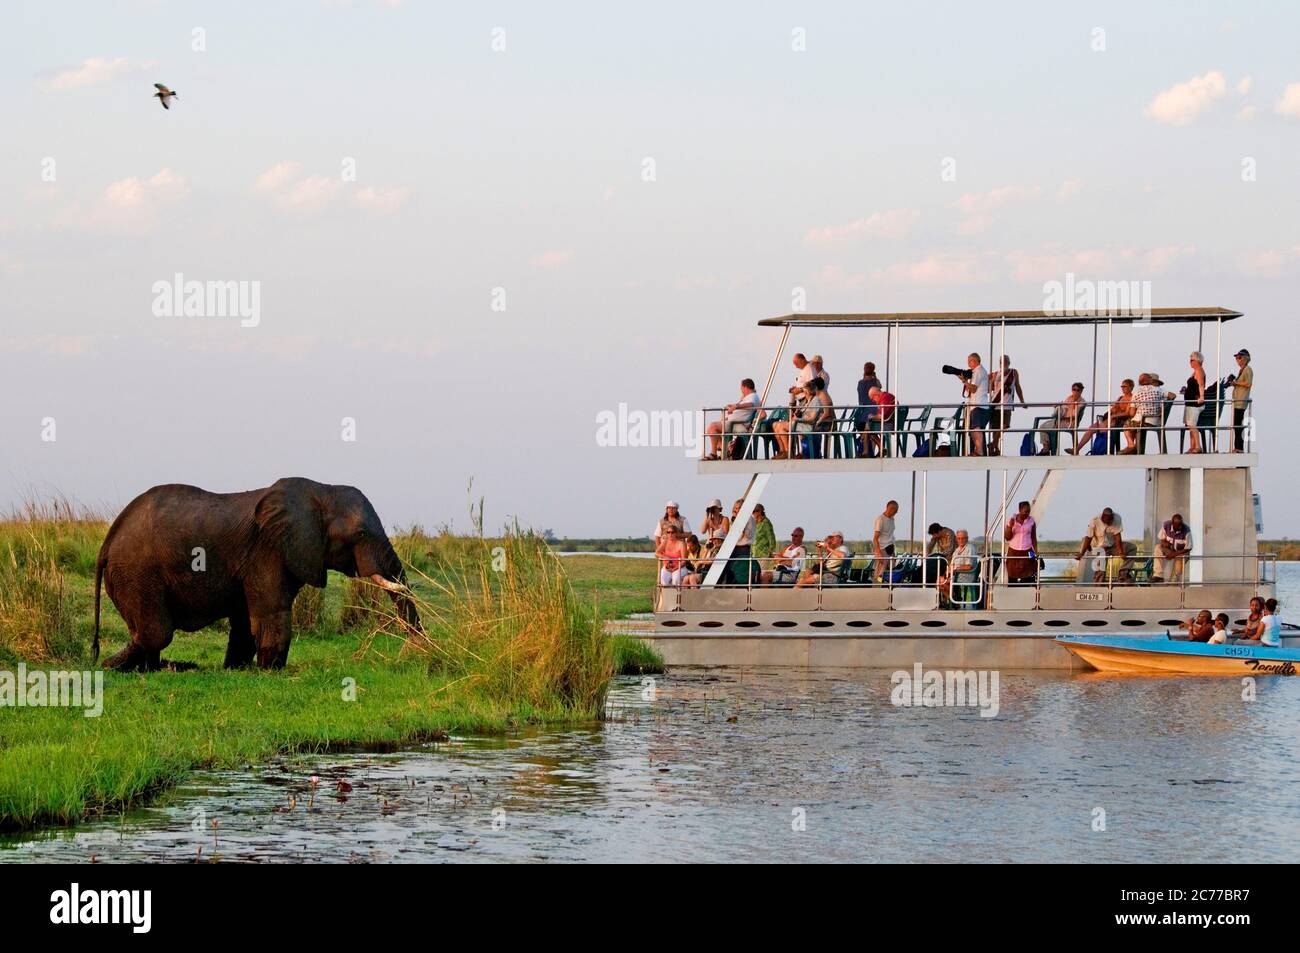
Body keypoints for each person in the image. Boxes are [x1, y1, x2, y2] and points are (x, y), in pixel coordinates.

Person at [703, 378, 760, 461]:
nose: (741, 391)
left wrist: (736, 406)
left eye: (741, 389)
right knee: (710, 430)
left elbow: (750, 404)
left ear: (745, 387)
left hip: (738, 424)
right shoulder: (748, 397)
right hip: (733, 422)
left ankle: (714, 453)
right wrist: (733, 405)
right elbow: (743, 405)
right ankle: (726, 450)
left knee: (712, 427)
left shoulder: (753, 396)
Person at [1071, 379, 1134, 454]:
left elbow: (1127, 413)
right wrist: (1110, 412)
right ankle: (1076, 449)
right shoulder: (1120, 398)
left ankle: (1102, 450)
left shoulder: (1132, 398)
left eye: (1125, 386)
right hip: (1111, 418)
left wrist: (1114, 416)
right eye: (1122, 386)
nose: (1123, 388)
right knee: (1092, 428)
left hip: (1120, 420)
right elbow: (1113, 409)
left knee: (1103, 427)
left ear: (1131, 387)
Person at [1122, 373, 1176, 453]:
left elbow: (1132, 413)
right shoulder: (1158, 390)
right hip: (1156, 420)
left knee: (1126, 425)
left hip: (1141, 421)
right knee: (1134, 423)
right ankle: (1139, 447)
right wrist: (1164, 409)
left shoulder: (1136, 393)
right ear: (1149, 380)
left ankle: (1131, 445)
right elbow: (1173, 396)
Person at [988, 355, 1026, 455]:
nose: (1003, 363)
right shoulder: (995, 374)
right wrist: (991, 381)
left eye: (1005, 361)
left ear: (1009, 363)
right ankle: (995, 448)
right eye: (1001, 362)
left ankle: (992, 444)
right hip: (995, 403)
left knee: (1004, 425)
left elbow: (1017, 386)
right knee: (995, 428)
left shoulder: (1013, 372)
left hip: (1007, 404)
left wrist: (1022, 401)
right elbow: (990, 389)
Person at [1077, 507, 1123, 582]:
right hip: (1099, 547)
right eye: (1107, 521)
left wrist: (1121, 552)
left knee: (1132, 548)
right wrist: (1081, 553)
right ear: (1102, 518)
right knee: (1101, 568)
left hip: (1112, 545)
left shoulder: (1117, 518)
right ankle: (1098, 586)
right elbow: (1088, 537)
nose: (1108, 522)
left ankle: (1123, 575)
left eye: (1110, 521)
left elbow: (1117, 536)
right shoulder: (1094, 521)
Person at [1040, 383, 1084, 454]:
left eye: (1077, 390)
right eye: (1073, 389)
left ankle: (1047, 449)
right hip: (1062, 420)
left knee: (1044, 427)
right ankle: (1046, 447)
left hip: (1069, 423)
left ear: (1081, 391)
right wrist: (1060, 407)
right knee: (1042, 426)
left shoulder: (1082, 402)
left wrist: (1063, 411)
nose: (1075, 392)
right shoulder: (1069, 398)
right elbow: (1065, 409)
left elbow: (1074, 414)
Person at [961, 353, 991, 456]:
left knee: (976, 428)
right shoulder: (976, 372)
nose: (968, 364)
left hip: (979, 405)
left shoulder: (978, 371)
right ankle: (979, 450)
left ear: (976, 361)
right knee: (974, 429)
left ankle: (979, 451)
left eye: (970, 361)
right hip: (976, 405)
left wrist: (964, 382)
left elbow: (973, 389)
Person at [1003, 501, 1038, 583]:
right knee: (1012, 574)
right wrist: (1010, 527)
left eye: (1028, 511)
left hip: (1028, 550)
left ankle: (1028, 590)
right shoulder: (1012, 520)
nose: (1027, 514)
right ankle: (1013, 590)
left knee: (1031, 570)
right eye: (1025, 511)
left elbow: (1033, 537)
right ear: (1020, 510)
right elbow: (1007, 538)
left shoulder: (1031, 521)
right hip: (1013, 551)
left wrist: (1036, 552)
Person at [1181, 351, 1207, 454]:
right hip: (1190, 403)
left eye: (1192, 360)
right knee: (1189, 425)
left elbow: (1201, 385)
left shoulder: (1199, 371)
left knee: (1192, 425)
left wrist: (1202, 397)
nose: (1190, 362)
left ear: (1198, 361)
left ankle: (1197, 446)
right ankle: (1192, 446)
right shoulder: (1195, 371)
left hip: (1194, 404)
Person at [1154, 513, 1191, 583]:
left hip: (1181, 552)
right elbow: (1162, 539)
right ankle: (1158, 575)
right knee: (1157, 548)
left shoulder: (1186, 530)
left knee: (1178, 567)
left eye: (1181, 525)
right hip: (1170, 550)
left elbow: (1188, 548)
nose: (1180, 527)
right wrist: (1164, 543)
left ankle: (1173, 582)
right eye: (1177, 525)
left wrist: (1174, 554)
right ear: (1172, 523)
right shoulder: (1166, 525)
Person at [726, 499, 756, 584]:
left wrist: (738, 522)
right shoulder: (735, 520)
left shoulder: (749, 519)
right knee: (729, 570)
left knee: (739, 571)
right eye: (735, 508)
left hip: (743, 549)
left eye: (739, 508)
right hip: (734, 548)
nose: (736, 510)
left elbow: (745, 536)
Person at [947, 529, 979, 606]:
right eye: (959, 538)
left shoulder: (970, 548)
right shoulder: (957, 550)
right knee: (939, 581)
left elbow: (969, 566)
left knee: (943, 583)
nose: (961, 540)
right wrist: (948, 569)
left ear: (967, 538)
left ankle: (955, 601)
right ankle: (955, 599)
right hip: (956, 574)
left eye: (963, 538)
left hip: (966, 575)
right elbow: (952, 564)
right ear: (956, 539)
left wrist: (955, 568)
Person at [864, 385, 897, 458]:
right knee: (869, 426)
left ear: (876, 395)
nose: (873, 401)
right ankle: (880, 448)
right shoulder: (888, 396)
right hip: (892, 423)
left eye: (872, 399)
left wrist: (871, 417)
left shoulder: (884, 399)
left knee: (868, 427)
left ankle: (866, 452)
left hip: (889, 425)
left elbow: (882, 416)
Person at [1230, 349, 1252, 453]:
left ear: (1245, 358)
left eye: (1239, 357)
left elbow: (1248, 383)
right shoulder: (1242, 370)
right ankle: (1238, 447)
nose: (1237, 360)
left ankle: (1239, 447)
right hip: (1237, 400)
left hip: (1241, 401)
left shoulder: (1247, 369)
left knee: (1238, 424)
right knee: (1236, 424)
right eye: (1236, 358)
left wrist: (1236, 383)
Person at [872, 500, 899, 581]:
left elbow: (890, 534)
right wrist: (878, 553)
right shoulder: (880, 519)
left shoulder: (892, 519)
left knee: (891, 570)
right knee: (880, 572)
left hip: (890, 548)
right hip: (882, 548)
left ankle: (888, 588)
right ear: (891, 509)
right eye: (896, 510)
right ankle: (876, 589)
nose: (897, 512)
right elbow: (875, 538)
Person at [925, 522, 957, 588]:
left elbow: (950, 549)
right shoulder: (936, 536)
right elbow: (929, 547)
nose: (933, 536)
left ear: (939, 531)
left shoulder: (950, 533)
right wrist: (927, 556)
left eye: (934, 534)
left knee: (945, 579)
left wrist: (939, 555)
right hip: (943, 560)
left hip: (952, 560)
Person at [752, 503, 777, 568]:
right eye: (753, 511)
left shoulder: (766, 523)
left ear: (760, 512)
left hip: (763, 555)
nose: (753, 513)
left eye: (755, 511)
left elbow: (771, 538)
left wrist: (770, 552)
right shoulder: (755, 523)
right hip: (754, 554)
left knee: (761, 574)